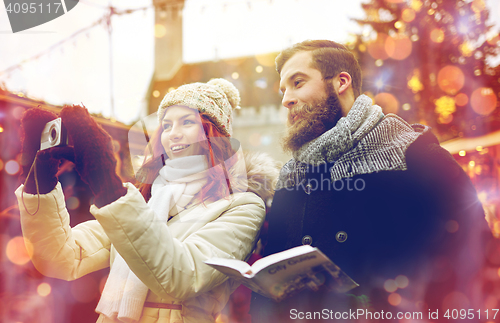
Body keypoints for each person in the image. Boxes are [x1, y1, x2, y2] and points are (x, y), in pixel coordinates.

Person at [250, 40, 495, 322]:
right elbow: (270, 279)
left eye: (298, 82)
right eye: (284, 90)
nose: (286, 99)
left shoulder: (413, 151)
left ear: (341, 82)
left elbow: (475, 257)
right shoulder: (292, 172)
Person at [16, 78, 279, 323]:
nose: (173, 133)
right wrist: (39, 178)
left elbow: (181, 276)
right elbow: (61, 258)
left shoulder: (242, 205)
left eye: (187, 122)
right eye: (166, 125)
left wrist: (107, 184)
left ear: (214, 134)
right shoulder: (146, 198)